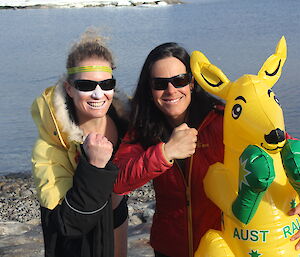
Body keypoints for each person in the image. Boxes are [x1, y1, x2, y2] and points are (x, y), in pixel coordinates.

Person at [113, 42, 225, 257]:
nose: (171, 90)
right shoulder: (143, 128)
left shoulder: (221, 119)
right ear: (149, 88)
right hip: (169, 248)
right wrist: (166, 153)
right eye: (160, 83)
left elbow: (280, 147)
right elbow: (118, 181)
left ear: (192, 82)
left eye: (179, 80)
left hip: (221, 246)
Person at [31, 29, 128, 257]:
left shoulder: (127, 124)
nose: (98, 94)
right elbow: (67, 224)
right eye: (86, 85)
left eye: (106, 84)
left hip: (116, 233)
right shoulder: (51, 146)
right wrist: (94, 168)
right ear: (69, 88)